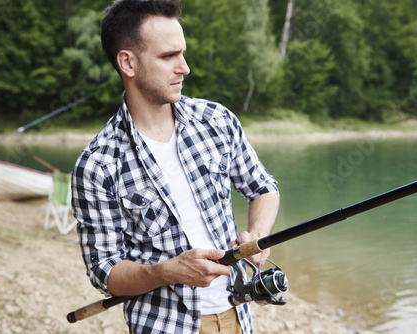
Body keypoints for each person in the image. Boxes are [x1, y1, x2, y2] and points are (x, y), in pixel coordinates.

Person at [71, 1, 280, 333]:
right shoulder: (97, 165)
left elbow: (263, 187)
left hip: (238, 316)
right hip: (164, 325)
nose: (184, 68)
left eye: (182, 54)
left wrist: (257, 237)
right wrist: (166, 271)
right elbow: (105, 272)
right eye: (169, 57)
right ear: (128, 62)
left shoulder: (217, 120)